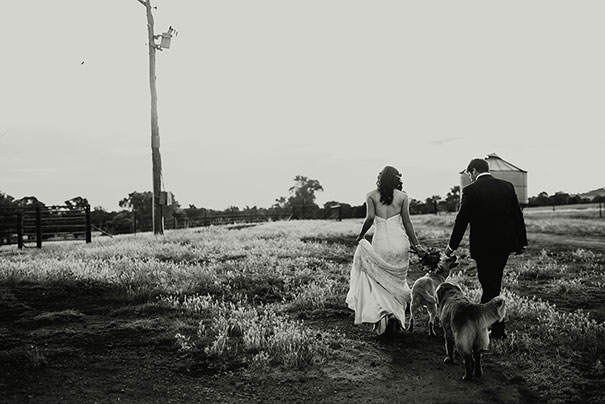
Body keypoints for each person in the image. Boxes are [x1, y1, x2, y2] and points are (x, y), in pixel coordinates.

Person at [445, 158, 527, 339]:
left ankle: (486, 328)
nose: (470, 177)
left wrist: (451, 247)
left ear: (474, 170)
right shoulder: (507, 186)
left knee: (489, 286)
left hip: (483, 247)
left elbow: (461, 221)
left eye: (469, 174)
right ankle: (495, 328)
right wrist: (521, 242)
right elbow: (517, 216)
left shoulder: (470, 190)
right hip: (504, 245)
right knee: (494, 285)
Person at [346, 166, 424, 337]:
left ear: (380, 178)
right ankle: (395, 314)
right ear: (397, 179)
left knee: (381, 281)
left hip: (381, 242)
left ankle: (386, 314)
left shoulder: (371, 195)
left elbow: (370, 218)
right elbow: (407, 223)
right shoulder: (403, 197)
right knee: (397, 281)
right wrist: (417, 245)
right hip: (400, 242)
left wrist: (361, 235)